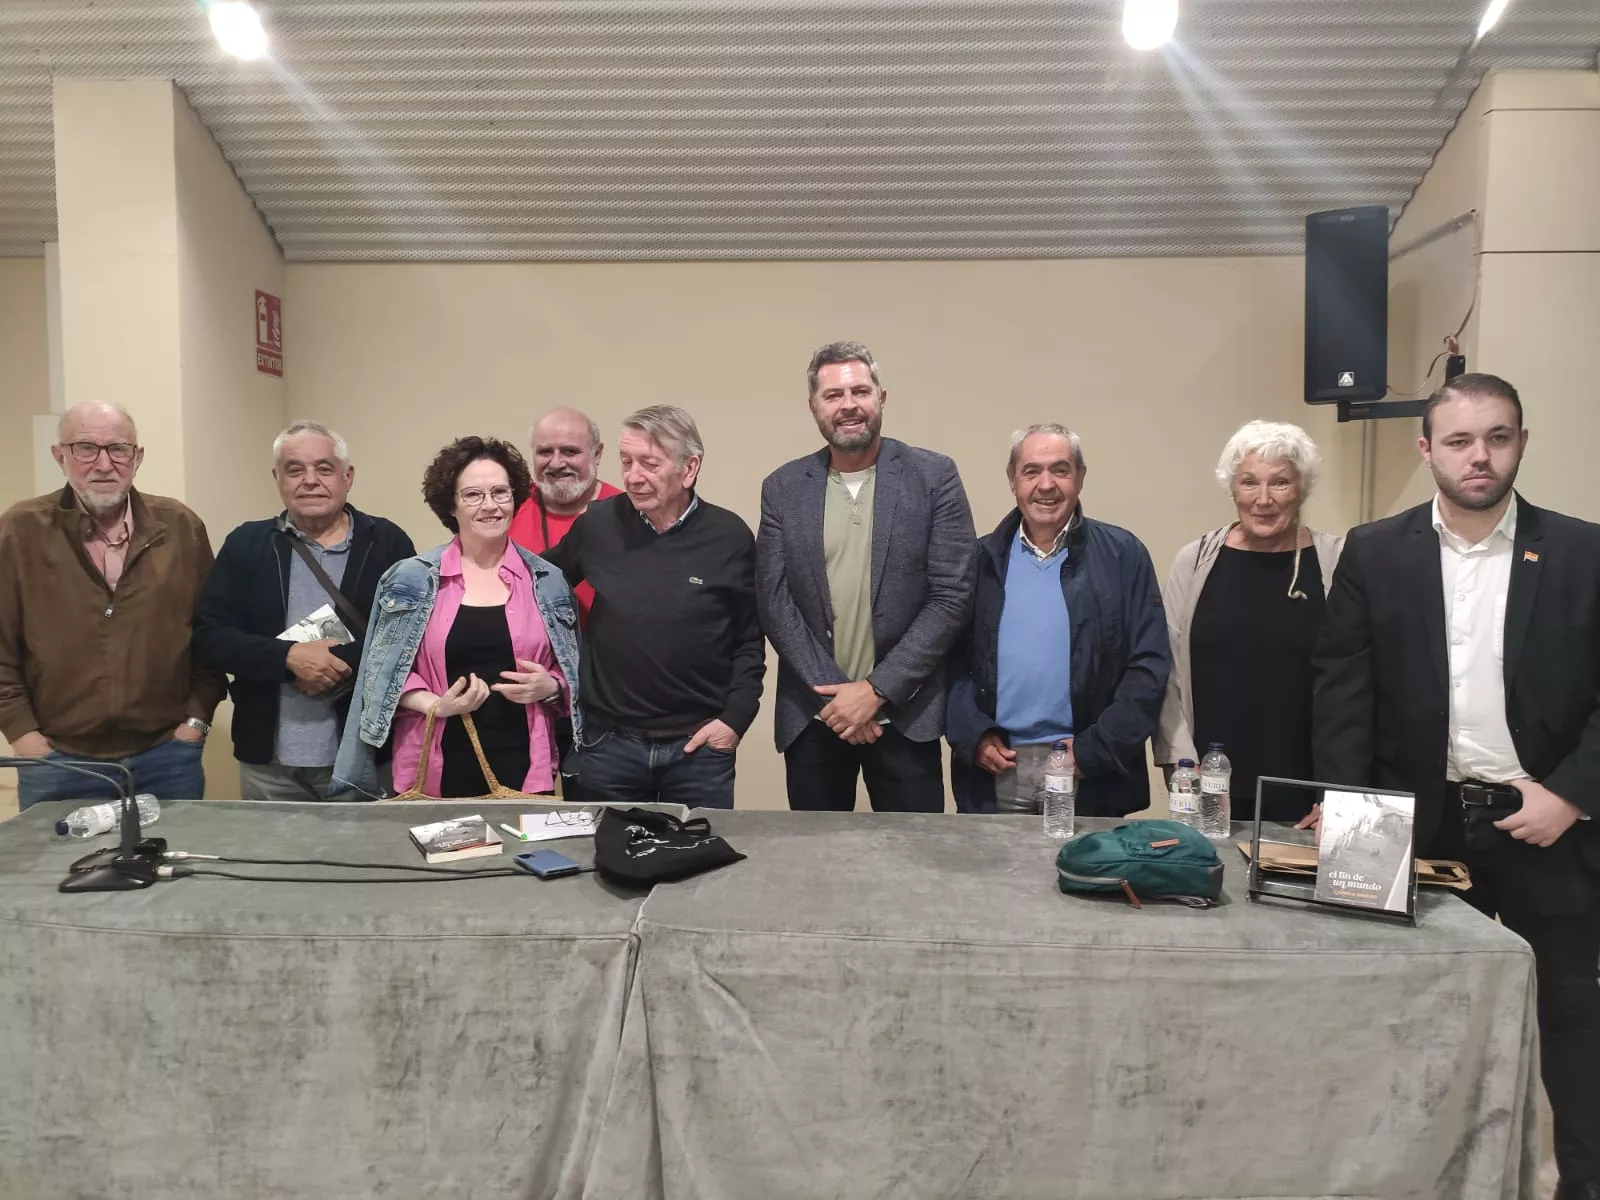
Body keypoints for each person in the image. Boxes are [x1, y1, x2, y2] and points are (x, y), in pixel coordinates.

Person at [1313, 373, 1600, 1199]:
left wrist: (1571, 795)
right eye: (1462, 440)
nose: (1481, 456)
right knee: (1404, 1012)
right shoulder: (1373, 551)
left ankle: (1579, 1180)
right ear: (1427, 448)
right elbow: (1341, 693)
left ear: (1521, 442)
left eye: (1498, 437)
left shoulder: (1583, 552)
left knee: (1572, 1020)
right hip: (1411, 826)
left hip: (1545, 823)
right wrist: (1352, 822)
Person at [758, 340, 975, 811]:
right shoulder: (782, 488)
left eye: (860, 391)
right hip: (816, 716)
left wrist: (876, 692)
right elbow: (775, 602)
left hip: (906, 714)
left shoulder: (934, 476)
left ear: (882, 397)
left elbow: (952, 596)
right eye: (833, 395)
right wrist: (841, 702)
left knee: (913, 871)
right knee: (817, 868)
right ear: (814, 406)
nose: (848, 405)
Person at [0, 402, 224, 808]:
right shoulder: (21, 530)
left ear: (136, 457)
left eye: (118, 449)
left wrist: (195, 722)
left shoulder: (179, 526)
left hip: (167, 757)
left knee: (173, 867)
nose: (104, 463)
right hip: (59, 763)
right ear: (60, 455)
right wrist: (25, 737)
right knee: (54, 872)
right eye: (86, 448)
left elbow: (211, 632)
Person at [332, 437, 580, 799]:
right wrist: (435, 704)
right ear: (451, 504)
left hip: (527, 767)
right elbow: (380, 671)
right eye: (473, 495)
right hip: (431, 764)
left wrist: (552, 687)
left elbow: (573, 671)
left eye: (500, 492)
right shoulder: (409, 579)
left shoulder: (548, 581)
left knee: (524, 857)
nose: (490, 506)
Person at [543, 405, 763, 809]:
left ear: (689, 468)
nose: (632, 476)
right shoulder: (599, 523)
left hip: (699, 750)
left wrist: (734, 721)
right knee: (603, 864)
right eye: (626, 462)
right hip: (608, 746)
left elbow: (749, 639)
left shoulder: (729, 536)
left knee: (701, 865)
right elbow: (537, 584)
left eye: (649, 463)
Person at [947, 424, 1170, 816]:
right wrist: (974, 736)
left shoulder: (1124, 556)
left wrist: (1095, 750)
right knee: (995, 878)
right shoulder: (978, 562)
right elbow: (951, 664)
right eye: (1031, 471)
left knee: (1086, 877)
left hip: (1088, 772)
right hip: (997, 771)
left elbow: (1148, 665)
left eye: (1060, 470)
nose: (1045, 485)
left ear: (1080, 477)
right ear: (1013, 481)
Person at [192, 420, 415, 801]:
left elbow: (412, 636)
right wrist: (289, 657)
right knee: (275, 862)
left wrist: (332, 664)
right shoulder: (247, 544)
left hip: (362, 756)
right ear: (278, 478)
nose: (309, 480)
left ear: (348, 477)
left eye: (323, 468)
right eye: (295, 469)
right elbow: (210, 637)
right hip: (268, 766)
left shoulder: (387, 543)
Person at [1154, 420, 1343, 822]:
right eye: (1248, 483)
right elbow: (1165, 668)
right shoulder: (1195, 561)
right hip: (1210, 786)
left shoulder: (1335, 562)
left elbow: (1356, 685)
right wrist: (1181, 765)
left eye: (1279, 483)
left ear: (1301, 488)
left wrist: (1339, 795)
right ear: (1232, 488)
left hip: (1309, 797)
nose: (1263, 499)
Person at [508, 406, 622, 623]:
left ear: (597, 454)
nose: (557, 463)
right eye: (545, 452)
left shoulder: (629, 513)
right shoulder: (506, 508)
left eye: (570, 451)